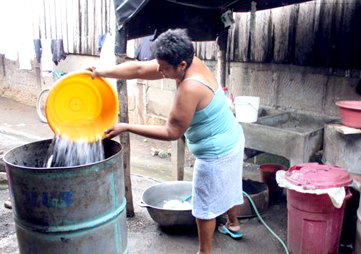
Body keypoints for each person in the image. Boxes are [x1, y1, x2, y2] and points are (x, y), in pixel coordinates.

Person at [87, 29, 245, 254]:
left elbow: (172, 132)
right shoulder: (191, 60)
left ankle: (204, 251)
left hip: (216, 154)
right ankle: (233, 223)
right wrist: (102, 72)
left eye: (164, 68)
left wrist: (126, 126)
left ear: (181, 64)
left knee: (204, 208)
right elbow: (140, 68)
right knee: (229, 186)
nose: (159, 71)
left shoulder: (190, 87)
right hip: (233, 137)